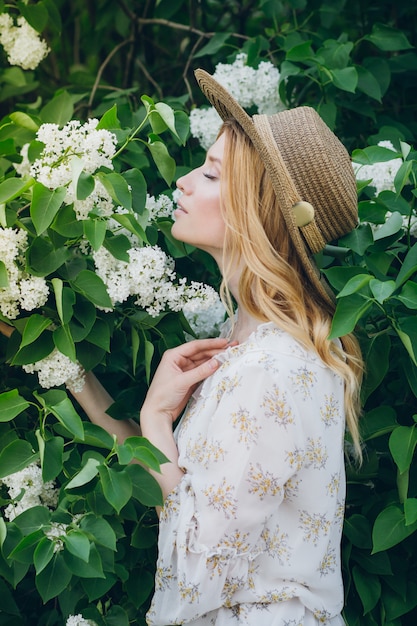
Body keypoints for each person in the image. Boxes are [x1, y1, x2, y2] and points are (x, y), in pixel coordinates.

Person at [71, 69, 363, 625]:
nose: (183, 181)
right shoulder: (246, 347)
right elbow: (177, 491)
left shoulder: (273, 368)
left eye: (209, 173)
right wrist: (69, 373)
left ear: (258, 209)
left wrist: (158, 416)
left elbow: (200, 560)